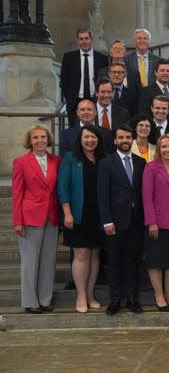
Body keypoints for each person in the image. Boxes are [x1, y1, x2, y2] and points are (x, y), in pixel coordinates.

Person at [97, 123, 146, 315]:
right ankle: (115, 299)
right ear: (115, 140)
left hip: (135, 221)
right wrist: (106, 220)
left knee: (132, 261)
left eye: (128, 137)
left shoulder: (140, 162)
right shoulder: (107, 163)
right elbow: (102, 194)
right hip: (115, 223)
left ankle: (132, 298)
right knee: (115, 261)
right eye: (121, 138)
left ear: (132, 139)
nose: (125, 141)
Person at [57, 124, 106, 313]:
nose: (90, 140)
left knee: (94, 255)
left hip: (99, 215)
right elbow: (63, 187)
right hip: (78, 214)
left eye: (93, 137)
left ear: (98, 139)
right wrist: (67, 212)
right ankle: (81, 295)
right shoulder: (71, 158)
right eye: (86, 137)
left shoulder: (103, 159)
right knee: (81, 255)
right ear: (80, 139)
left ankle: (91, 294)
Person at [13, 125, 61, 314]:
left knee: (48, 261)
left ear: (48, 139)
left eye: (43, 137)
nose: (40, 141)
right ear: (30, 141)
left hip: (51, 215)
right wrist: (18, 220)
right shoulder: (21, 162)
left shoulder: (56, 161)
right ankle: (30, 301)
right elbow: (17, 194)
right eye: (36, 138)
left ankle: (44, 299)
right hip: (30, 216)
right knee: (29, 261)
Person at [141, 134, 169, 311]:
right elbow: (146, 196)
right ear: (159, 149)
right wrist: (151, 221)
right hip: (158, 222)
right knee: (156, 260)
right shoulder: (151, 168)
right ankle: (159, 295)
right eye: (164, 147)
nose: (167, 150)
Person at [59, 29, 109, 125]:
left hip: (96, 100)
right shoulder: (69, 57)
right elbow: (64, 81)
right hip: (75, 102)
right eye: (81, 39)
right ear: (77, 41)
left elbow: (105, 81)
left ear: (91, 39)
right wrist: (70, 98)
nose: (84, 41)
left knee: (96, 128)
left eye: (86, 38)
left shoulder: (102, 58)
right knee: (75, 131)